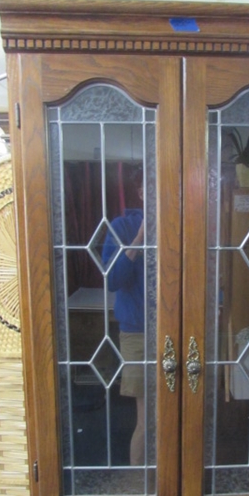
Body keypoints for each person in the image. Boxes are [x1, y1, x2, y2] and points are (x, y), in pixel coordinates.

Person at [102, 171, 145, 466]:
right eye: (149, 188)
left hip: (180, 330)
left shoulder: (181, 220)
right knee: (146, 419)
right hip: (138, 333)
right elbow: (112, 280)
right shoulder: (121, 226)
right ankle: (139, 489)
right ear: (141, 192)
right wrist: (140, 240)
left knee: (177, 416)